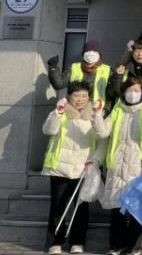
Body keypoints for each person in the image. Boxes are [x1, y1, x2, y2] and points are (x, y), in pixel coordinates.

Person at [92, 77, 142, 255]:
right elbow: (103, 132)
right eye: (129, 90)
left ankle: (132, 247)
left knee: (138, 209)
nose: (133, 93)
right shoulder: (117, 110)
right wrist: (98, 115)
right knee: (117, 208)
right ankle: (115, 246)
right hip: (117, 165)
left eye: (136, 90)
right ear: (124, 92)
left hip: (139, 165)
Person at [42, 81, 101, 255]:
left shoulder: (94, 115)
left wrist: (95, 160)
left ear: (88, 97)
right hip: (60, 167)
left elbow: (102, 137)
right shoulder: (61, 111)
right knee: (57, 206)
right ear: (69, 96)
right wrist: (58, 113)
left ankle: (77, 242)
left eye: (84, 96)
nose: (80, 99)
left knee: (80, 208)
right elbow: (48, 130)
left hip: (83, 168)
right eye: (76, 95)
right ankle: (55, 242)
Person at [47, 40, 112, 105]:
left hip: (97, 109)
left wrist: (116, 78)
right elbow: (59, 84)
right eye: (88, 54)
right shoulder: (74, 67)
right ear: (83, 55)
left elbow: (112, 93)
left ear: (99, 56)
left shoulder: (108, 70)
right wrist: (53, 68)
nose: (90, 59)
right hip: (75, 108)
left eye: (94, 55)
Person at [109, 39, 142, 106]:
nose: (140, 54)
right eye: (137, 51)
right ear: (132, 53)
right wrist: (117, 76)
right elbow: (114, 92)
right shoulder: (124, 69)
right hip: (125, 107)